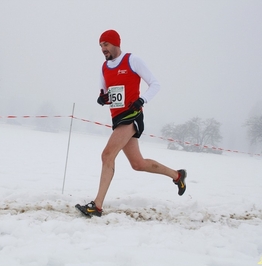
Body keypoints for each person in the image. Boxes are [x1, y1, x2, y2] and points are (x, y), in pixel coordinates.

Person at [75, 29, 187, 217]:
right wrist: (102, 99)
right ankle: (177, 175)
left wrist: (142, 100)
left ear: (116, 44)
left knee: (107, 155)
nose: (103, 48)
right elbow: (106, 94)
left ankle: (97, 205)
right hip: (118, 119)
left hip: (132, 116)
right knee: (138, 164)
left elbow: (155, 84)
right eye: (101, 45)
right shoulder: (104, 67)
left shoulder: (132, 60)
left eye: (106, 44)